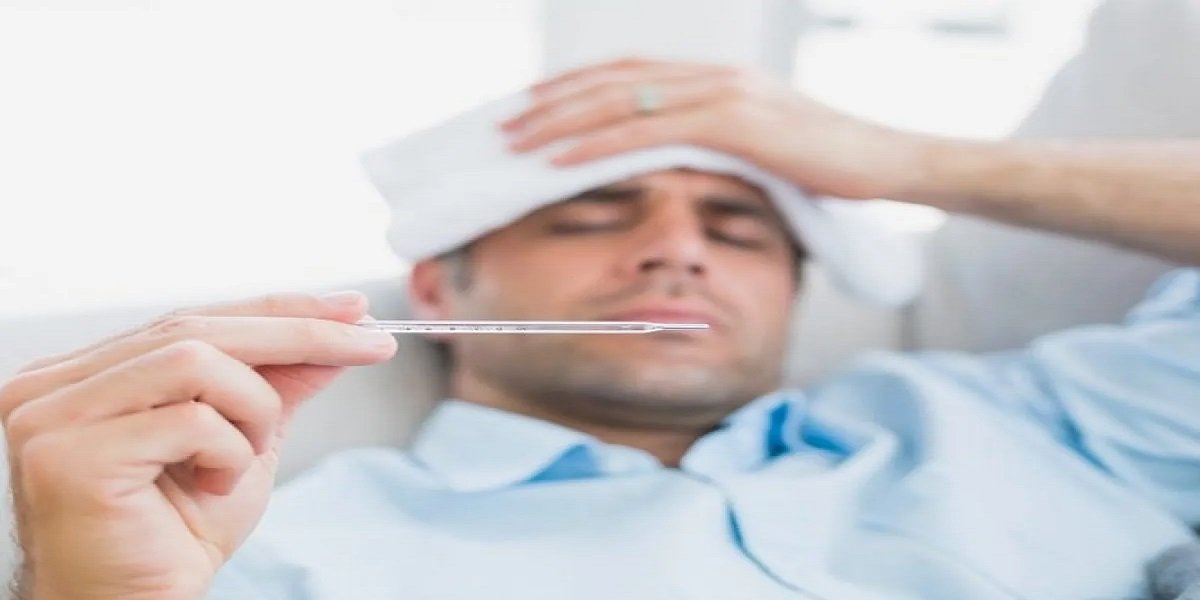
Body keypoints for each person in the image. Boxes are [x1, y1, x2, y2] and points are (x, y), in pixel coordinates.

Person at [2, 58, 1198, 600]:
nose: (679, 248)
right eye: (593, 216)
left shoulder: (1052, 421)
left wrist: (910, 163)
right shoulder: (268, 557)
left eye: (738, 227)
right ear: (440, 289)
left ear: (800, 290)